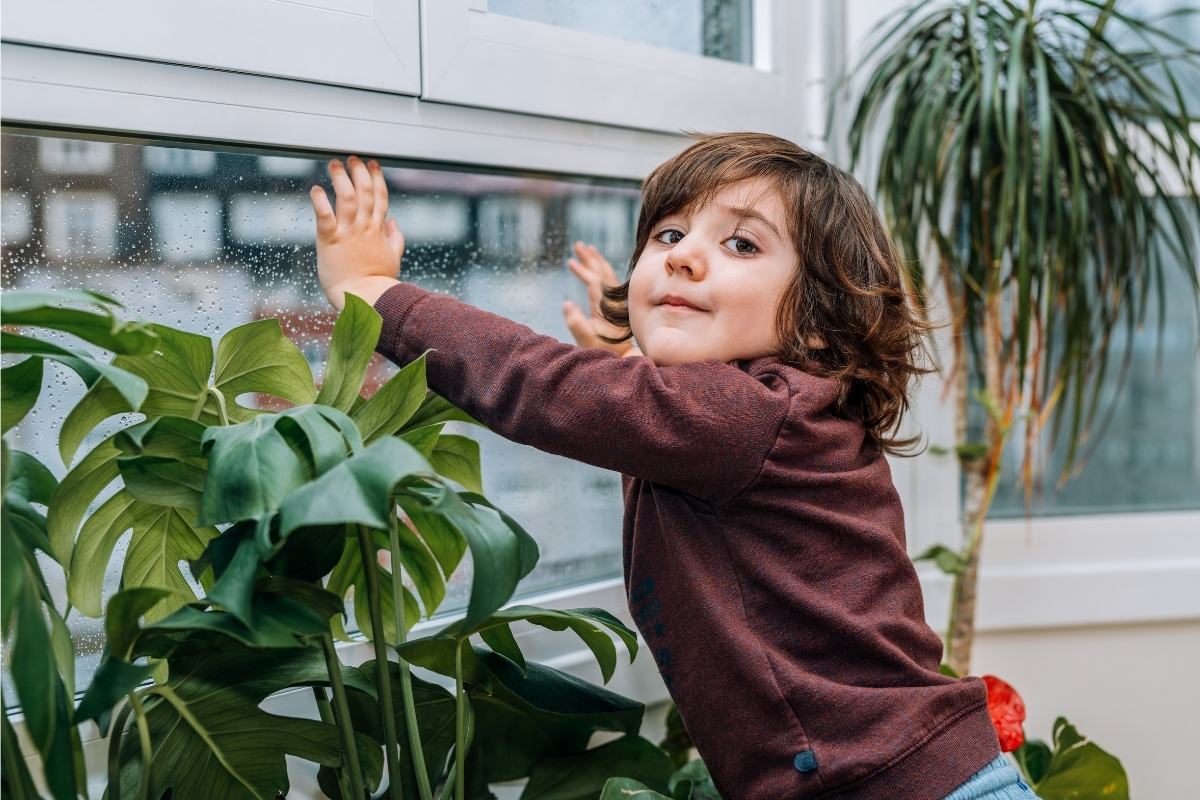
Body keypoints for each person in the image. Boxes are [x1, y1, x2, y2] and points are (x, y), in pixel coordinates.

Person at [309, 134, 1035, 800]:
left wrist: (378, 294)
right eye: (668, 234)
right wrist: (630, 356)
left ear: (814, 320)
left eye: (742, 244)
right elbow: (655, 426)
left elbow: (541, 386)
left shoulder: (750, 417)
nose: (684, 256)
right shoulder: (758, 421)